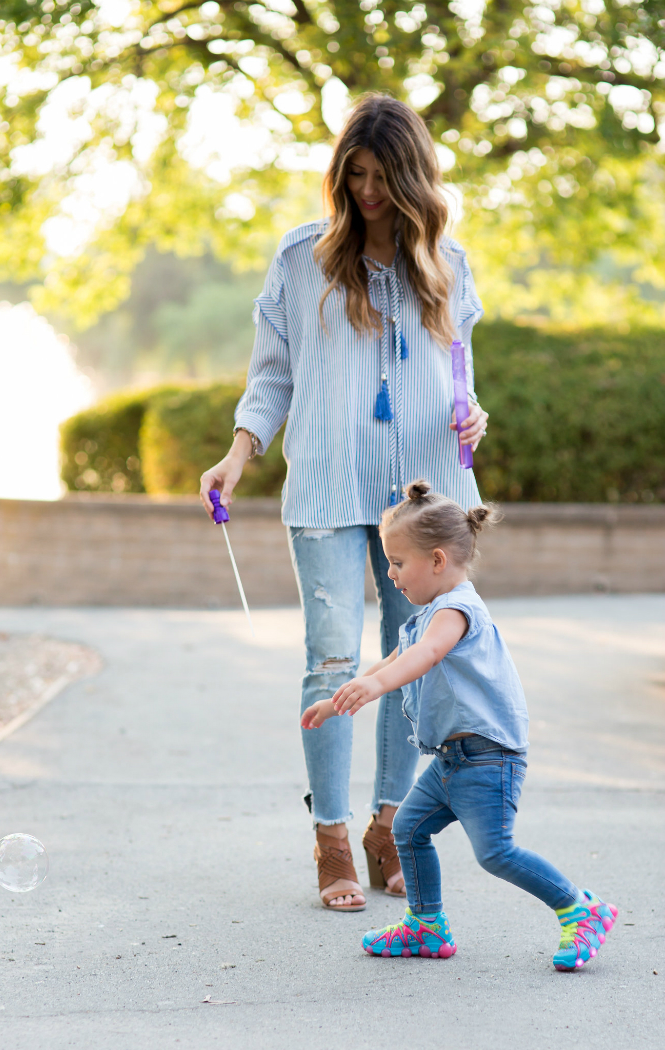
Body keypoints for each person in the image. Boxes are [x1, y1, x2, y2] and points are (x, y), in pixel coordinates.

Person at [200, 94, 489, 912]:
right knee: (330, 658)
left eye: (380, 175)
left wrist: (477, 415)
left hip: (425, 488)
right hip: (326, 481)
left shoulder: (449, 263)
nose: (366, 190)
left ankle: (387, 827)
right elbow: (273, 373)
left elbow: (462, 379)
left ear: (412, 177)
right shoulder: (302, 258)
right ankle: (330, 834)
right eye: (353, 174)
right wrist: (238, 451)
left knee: (407, 665)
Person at [302, 481, 618, 969]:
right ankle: (426, 926)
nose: (390, 573)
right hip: (452, 760)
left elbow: (425, 656)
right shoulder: (429, 613)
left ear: (438, 560)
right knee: (407, 829)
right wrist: (338, 700)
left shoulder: (456, 610)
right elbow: (399, 656)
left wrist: (376, 689)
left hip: (489, 758)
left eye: (398, 563)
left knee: (495, 852)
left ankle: (581, 909)